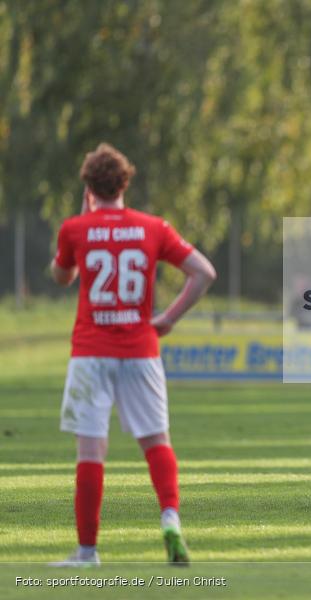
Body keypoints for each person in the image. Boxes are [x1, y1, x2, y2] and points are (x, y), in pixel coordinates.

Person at [49, 143, 217, 566]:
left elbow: (61, 276)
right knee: (157, 441)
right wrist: (169, 318)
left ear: (89, 187)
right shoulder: (152, 227)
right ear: (125, 183)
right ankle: (171, 519)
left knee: (91, 450)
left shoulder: (75, 228)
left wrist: (80, 226)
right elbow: (204, 273)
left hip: (91, 353)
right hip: (141, 350)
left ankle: (87, 551)